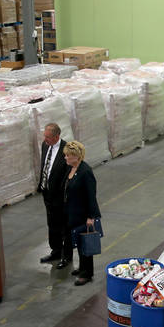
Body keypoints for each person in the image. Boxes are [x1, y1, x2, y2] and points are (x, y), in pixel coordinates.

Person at [63, 140, 101, 286]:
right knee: (78, 243)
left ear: (77, 156)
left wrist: (91, 217)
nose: (65, 158)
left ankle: (87, 273)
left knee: (85, 244)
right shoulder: (71, 168)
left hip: (83, 215)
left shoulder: (85, 172)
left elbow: (91, 195)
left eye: (68, 155)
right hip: (72, 213)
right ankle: (82, 268)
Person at [37, 122, 71, 268]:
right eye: (44, 136)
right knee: (52, 223)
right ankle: (56, 251)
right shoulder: (45, 146)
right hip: (47, 193)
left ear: (57, 136)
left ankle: (67, 256)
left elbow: (69, 174)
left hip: (60, 196)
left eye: (48, 137)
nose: (45, 139)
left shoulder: (67, 150)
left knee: (64, 226)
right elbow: (45, 165)